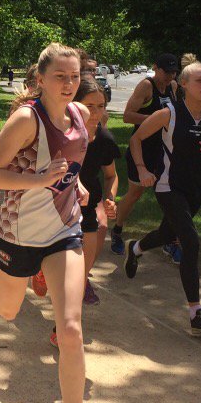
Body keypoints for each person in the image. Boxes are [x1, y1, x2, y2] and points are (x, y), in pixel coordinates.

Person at [0, 43, 97, 403]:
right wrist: (39, 179)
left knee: (70, 328)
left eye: (74, 76)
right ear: (40, 79)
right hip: (18, 234)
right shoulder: (27, 119)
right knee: (8, 309)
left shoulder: (81, 115)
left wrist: (75, 186)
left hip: (64, 233)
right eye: (60, 76)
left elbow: (71, 164)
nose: (68, 83)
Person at [125, 60, 201, 335]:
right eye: (199, 80)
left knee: (167, 233)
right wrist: (142, 169)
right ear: (184, 85)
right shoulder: (169, 113)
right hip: (168, 185)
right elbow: (136, 139)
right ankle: (196, 313)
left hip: (198, 187)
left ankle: (136, 248)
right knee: (190, 240)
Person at [110, 54, 179, 256]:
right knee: (135, 193)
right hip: (142, 148)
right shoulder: (146, 86)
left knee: (170, 194)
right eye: (166, 72)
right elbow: (127, 116)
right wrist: (156, 120)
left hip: (164, 150)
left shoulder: (173, 86)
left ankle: (169, 238)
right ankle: (117, 229)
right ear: (155, 68)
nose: (170, 76)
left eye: (173, 72)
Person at [74, 77, 119, 310]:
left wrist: (110, 199)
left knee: (83, 270)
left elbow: (111, 175)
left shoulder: (104, 139)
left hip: (88, 207)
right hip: (56, 209)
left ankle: (61, 330)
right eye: (89, 106)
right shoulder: (61, 133)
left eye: (100, 106)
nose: (96, 112)